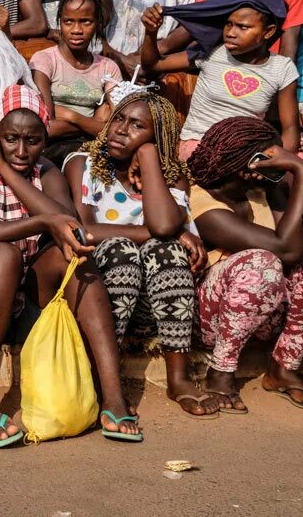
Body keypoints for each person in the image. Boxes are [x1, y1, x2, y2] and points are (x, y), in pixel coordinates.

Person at [0, 85, 142, 446]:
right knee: (4, 252)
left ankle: (113, 395)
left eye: (33, 140)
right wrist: (35, 222)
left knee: (76, 257)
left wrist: (5, 168)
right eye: (10, 140)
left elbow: (70, 225)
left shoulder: (46, 169)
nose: (22, 151)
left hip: (30, 301)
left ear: (44, 139)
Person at [64, 92, 218, 418]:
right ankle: (106, 379)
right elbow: (85, 231)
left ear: (157, 137)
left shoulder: (170, 176)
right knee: (124, 250)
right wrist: (166, 232)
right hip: (103, 300)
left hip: (157, 307)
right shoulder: (83, 164)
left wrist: (148, 159)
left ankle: (178, 377)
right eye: (118, 118)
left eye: (137, 126)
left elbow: (162, 223)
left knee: (168, 252)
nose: (121, 130)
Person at [189, 117, 303, 413]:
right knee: (261, 261)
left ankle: (283, 368)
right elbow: (285, 250)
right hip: (212, 320)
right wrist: (300, 169)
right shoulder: (203, 202)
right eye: (269, 158)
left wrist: (296, 178)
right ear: (249, 166)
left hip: (267, 311)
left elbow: (296, 248)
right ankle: (220, 372)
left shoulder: (265, 189)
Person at [141, 0, 298, 156]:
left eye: (242, 27)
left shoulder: (282, 68)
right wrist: (150, 33)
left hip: (245, 153)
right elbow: (153, 64)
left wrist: (274, 161)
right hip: (198, 147)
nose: (230, 33)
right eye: (229, 24)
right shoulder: (212, 52)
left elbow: (290, 128)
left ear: (269, 31)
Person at [30, 0, 120, 165]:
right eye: (68, 21)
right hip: (51, 148)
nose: (76, 30)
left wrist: (72, 116)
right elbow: (46, 127)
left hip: (92, 146)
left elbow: (117, 129)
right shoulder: (45, 60)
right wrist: (94, 123)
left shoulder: (108, 67)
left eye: (86, 22)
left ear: (97, 24)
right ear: (60, 23)